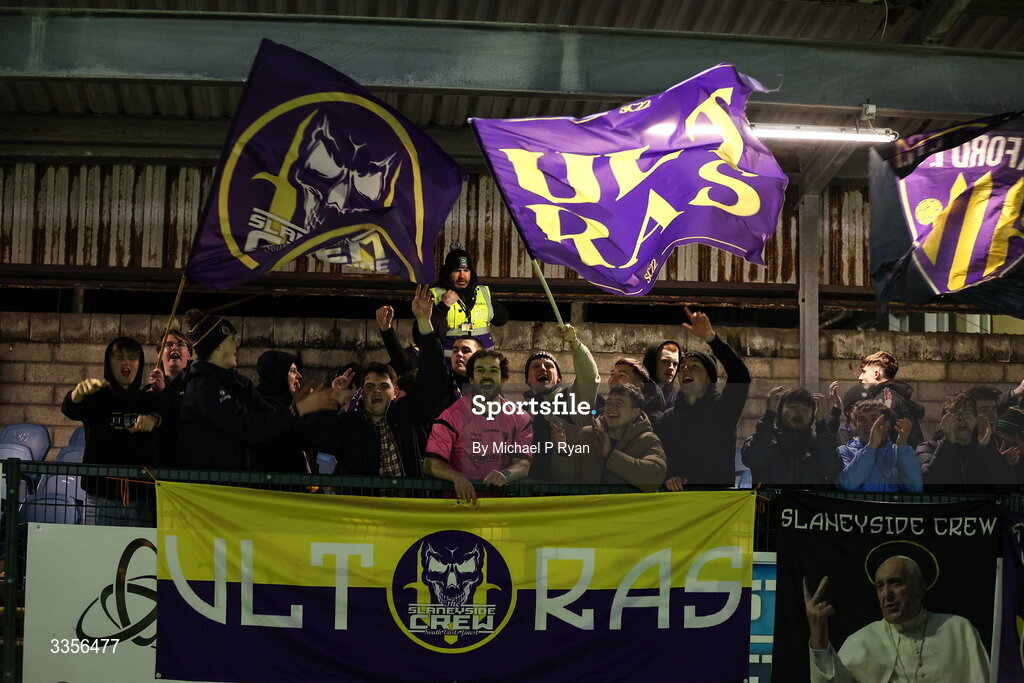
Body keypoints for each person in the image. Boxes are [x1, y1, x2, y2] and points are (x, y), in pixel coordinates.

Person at [305, 286, 446, 477]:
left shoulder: (410, 414)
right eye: (370, 387)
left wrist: (424, 323)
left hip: (406, 505)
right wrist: (333, 400)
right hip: (364, 506)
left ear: (396, 392)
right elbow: (314, 437)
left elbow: (432, 375)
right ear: (361, 394)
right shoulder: (350, 424)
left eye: (383, 386)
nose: (376, 391)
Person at [176, 311, 336, 470]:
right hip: (207, 487)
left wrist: (302, 410)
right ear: (217, 346)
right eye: (231, 339)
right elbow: (247, 425)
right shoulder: (203, 387)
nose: (236, 344)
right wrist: (296, 410)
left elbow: (269, 418)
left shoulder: (240, 384)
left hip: (232, 486)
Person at [804, 556, 989, 682]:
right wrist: (818, 635)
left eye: (896, 582)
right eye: (880, 586)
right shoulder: (861, 641)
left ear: (920, 587)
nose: (887, 594)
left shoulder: (959, 630)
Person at [60, 336, 163, 526]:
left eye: (132, 358)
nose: (126, 362)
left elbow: (163, 419)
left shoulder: (149, 399)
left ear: (139, 364)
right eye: (119, 358)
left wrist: (153, 421)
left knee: (140, 554)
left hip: (141, 500)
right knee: (97, 553)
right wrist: (77, 393)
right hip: (99, 497)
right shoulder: (96, 396)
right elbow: (69, 409)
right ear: (108, 363)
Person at [657, 306, 750, 489]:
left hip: (714, 506)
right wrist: (669, 477)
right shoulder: (666, 419)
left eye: (695, 366)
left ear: (709, 379)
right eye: (682, 366)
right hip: (677, 505)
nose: (686, 370)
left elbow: (740, 376)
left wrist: (711, 339)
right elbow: (657, 461)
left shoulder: (723, 410)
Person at [424, 349, 533, 501]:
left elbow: (523, 464)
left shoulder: (520, 418)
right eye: (480, 370)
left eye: (493, 370)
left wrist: (506, 474)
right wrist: (457, 477)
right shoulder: (451, 416)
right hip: (459, 505)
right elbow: (430, 464)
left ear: (503, 378)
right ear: (471, 379)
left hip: (498, 508)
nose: (486, 376)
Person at [552, 384, 666, 492]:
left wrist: (610, 454)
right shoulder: (588, 434)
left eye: (619, 402)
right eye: (608, 403)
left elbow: (654, 478)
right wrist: (562, 451)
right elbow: (567, 478)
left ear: (635, 412)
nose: (611, 408)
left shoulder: (648, 440)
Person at [521, 324, 600, 480]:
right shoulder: (520, 413)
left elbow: (590, 378)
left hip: (565, 494)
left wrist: (575, 344)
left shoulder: (572, 400)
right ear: (528, 379)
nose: (542, 369)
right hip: (527, 494)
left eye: (549, 366)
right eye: (535, 366)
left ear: (558, 378)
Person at [741, 387, 841, 488]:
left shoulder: (818, 443)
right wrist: (769, 415)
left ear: (812, 415)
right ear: (780, 411)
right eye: (793, 407)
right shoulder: (766, 440)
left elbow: (833, 469)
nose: (799, 412)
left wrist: (821, 424)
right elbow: (754, 460)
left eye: (805, 409)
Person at [916, 391, 1013, 492]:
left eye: (967, 413)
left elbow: (1007, 485)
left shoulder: (982, 450)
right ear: (943, 420)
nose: (961, 419)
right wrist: (947, 443)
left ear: (976, 418)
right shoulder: (927, 448)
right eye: (955, 414)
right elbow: (928, 485)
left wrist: (986, 448)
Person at [430, 243, 508, 355]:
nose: (462, 276)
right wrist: (443, 305)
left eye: (466, 270)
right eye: (457, 270)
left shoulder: (483, 292)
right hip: (450, 362)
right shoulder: (435, 294)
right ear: (448, 273)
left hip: (482, 363)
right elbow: (424, 330)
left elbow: (501, 319)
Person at [837, 399, 922, 493]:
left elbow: (915, 488)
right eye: (862, 420)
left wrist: (903, 448)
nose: (867, 424)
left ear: (887, 424)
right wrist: (871, 447)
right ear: (856, 425)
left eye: (873, 419)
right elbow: (847, 484)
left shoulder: (898, 453)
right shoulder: (845, 451)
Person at [250, 350, 315, 473]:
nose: (299, 376)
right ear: (277, 374)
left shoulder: (287, 404)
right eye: (292, 371)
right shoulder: (261, 405)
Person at [842, 351, 925, 447]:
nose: (860, 377)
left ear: (876, 374)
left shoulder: (884, 399)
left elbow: (882, 439)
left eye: (864, 371)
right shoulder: (897, 396)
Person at [143, 328, 193, 466]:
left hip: (185, 468)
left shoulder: (197, 388)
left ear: (189, 355)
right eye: (168, 345)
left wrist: (165, 391)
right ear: (159, 354)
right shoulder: (148, 391)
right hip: (154, 471)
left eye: (180, 345)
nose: (174, 348)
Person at [642, 340, 681, 407]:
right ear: (652, 363)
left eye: (675, 363)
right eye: (665, 361)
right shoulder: (635, 395)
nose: (671, 367)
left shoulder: (677, 400)